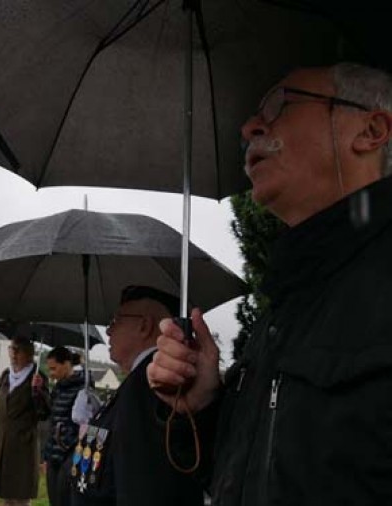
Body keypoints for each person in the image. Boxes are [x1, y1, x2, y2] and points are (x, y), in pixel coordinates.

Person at [147, 63, 392, 506]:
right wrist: (204, 404)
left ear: (370, 130)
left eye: (281, 105)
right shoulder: (286, 305)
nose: (249, 127)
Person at [71, 285, 204, 506]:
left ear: (144, 325)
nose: (109, 331)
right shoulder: (136, 382)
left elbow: (143, 485)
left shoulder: (153, 386)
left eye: (115, 321)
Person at [0, 336, 50, 506]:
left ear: (30, 354)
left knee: (19, 491)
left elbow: (44, 413)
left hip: (22, 442)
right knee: (6, 489)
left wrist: (38, 391)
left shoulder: (37, 377)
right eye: (12, 349)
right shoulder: (7, 374)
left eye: (18, 350)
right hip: (1, 440)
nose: (14, 354)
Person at [43, 346, 86, 506]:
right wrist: (37, 392)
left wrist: (66, 444)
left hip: (70, 456)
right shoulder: (58, 388)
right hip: (53, 455)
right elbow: (49, 416)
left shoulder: (83, 389)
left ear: (67, 364)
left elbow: (83, 424)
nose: (51, 373)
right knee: (54, 500)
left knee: (65, 500)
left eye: (54, 368)